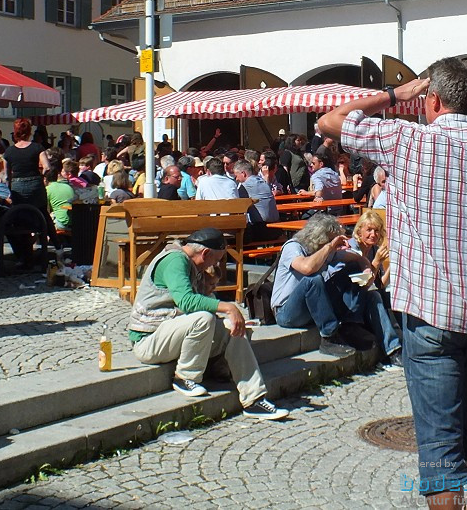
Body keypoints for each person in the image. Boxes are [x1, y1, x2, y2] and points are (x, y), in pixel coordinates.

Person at [319, 57, 467, 510]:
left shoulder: (407, 139)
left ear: (434, 100)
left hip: (430, 313)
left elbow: (330, 121)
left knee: (440, 441)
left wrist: (394, 95)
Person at [127, 227, 288, 421]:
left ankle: (254, 399)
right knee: (204, 319)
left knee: (234, 330)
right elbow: (186, 301)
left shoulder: (191, 266)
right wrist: (228, 307)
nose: (216, 264)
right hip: (148, 340)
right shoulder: (175, 260)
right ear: (205, 253)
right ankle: (185, 378)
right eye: (216, 259)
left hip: (171, 335)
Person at [271, 213, 402, 364]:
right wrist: (330, 247)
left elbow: (358, 258)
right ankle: (329, 337)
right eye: (329, 239)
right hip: (286, 312)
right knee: (312, 280)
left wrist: (366, 268)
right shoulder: (293, 247)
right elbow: (308, 268)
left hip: (311, 308)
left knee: (353, 269)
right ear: (319, 237)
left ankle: (354, 327)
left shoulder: (325, 250)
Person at [4, 117, 52, 220]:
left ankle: (24, 234)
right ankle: (51, 235)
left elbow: (7, 176)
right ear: (29, 131)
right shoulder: (37, 147)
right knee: (43, 214)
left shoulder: (8, 151)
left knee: (19, 216)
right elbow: (47, 167)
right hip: (35, 184)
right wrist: (41, 177)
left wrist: (11, 190)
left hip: (17, 186)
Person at [232, 159, 281, 242]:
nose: (236, 179)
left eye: (236, 175)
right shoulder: (262, 181)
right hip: (276, 228)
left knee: (234, 238)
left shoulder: (245, 186)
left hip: (262, 230)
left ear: (243, 173)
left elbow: (236, 206)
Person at [45, 166, 75, 231]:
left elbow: (46, 210)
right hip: (75, 222)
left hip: (62, 224)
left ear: (45, 179)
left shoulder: (47, 189)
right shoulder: (67, 186)